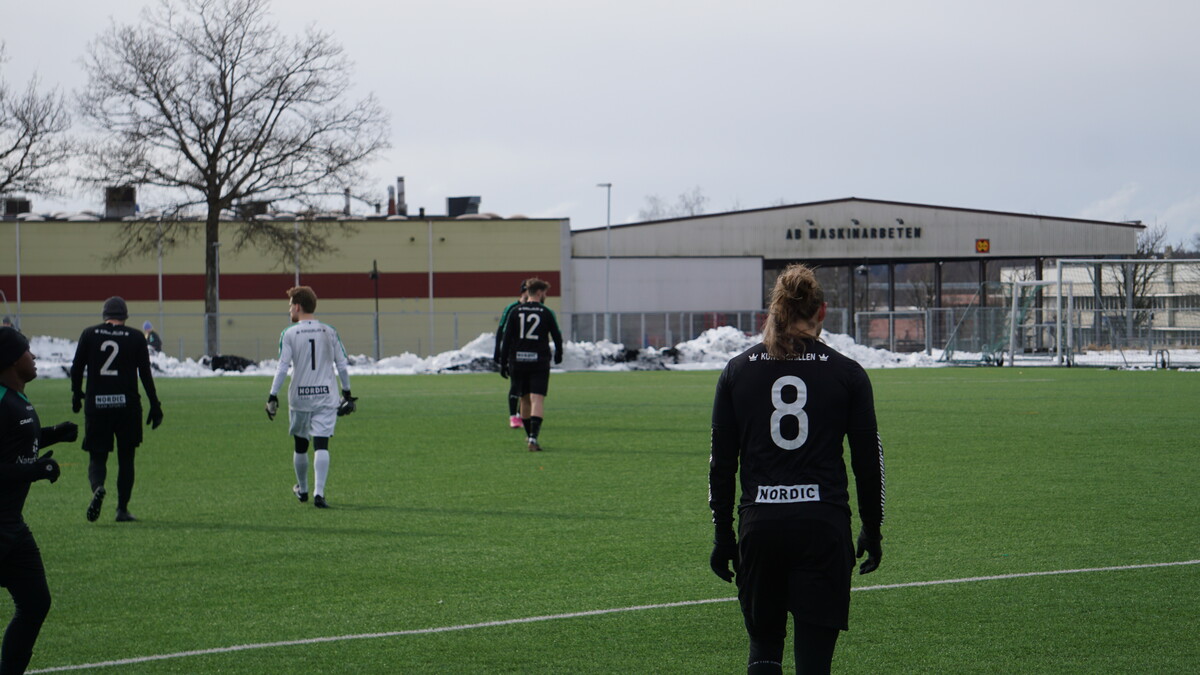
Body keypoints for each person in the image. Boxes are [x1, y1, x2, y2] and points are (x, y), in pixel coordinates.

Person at [708, 264, 885, 675]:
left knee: (764, 648)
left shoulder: (737, 371)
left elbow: (721, 463)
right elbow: (867, 461)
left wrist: (723, 534)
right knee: (814, 665)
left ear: (774, 311)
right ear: (822, 311)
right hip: (823, 527)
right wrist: (872, 528)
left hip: (760, 526)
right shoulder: (847, 373)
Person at [0, 327, 76, 674]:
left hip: (11, 526)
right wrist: (34, 470)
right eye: (27, 351)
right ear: (12, 360)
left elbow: (15, 443)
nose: (33, 357)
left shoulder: (17, 399)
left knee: (35, 602)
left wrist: (54, 435)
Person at [70, 297, 163, 523]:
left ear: (105, 315)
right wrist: (155, 404)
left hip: (97, 405)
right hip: (127, 407)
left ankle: (98, 487)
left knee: (97, 456)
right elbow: (145, 373)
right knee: (126, 458)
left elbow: (76, 367)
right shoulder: (135, 337)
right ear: (125, 316)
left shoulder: (89, 334)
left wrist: (76, 393)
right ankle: (122, 509)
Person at [266, 286, 354, 509]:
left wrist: (272, 395)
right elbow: (342, 365)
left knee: (301, 444)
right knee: (322, 444)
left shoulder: (289, 333)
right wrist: (347, 392)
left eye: (290, 306)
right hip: (326, 396)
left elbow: (282, 367)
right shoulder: (329, 331)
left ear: (297, 306)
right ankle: (319, 493)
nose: (289, 310)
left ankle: (303, 489)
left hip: (300, 397)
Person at [499, 278, 562, 452]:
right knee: (537, 399)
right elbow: (557, 335)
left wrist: (503, 362)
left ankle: (529, 435)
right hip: (539, 361)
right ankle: (533, 437)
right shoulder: (546, 312)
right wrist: (559, 354)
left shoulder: (515, 311)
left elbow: (506, 338)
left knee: (524, 399)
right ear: (540, 293)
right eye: (545, 293)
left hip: (518, 361)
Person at [494, 282, 529, 429]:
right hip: (514, 352)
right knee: (516, 384)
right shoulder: (511, 308)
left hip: (531, 353)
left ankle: (522, 415)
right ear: (524, 291)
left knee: (528, 386)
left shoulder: (537, 309)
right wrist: (498, 351)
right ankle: (513, 416)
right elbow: (501, 330)